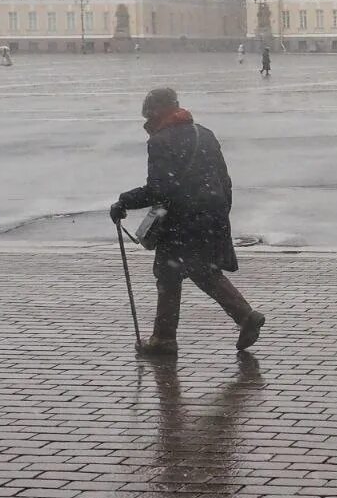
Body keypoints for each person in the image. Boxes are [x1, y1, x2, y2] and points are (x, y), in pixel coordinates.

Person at [110, 88, 265, 355]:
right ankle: (244, 316)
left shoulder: (160, 141)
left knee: (169, 275)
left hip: (182, 219)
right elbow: (224, 179)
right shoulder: (203, 133)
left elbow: (160, 188)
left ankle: (165, 339)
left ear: (156, 111)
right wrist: (219, 211)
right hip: (210, 214)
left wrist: (123, 201)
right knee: (202, 271)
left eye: (148, 114)